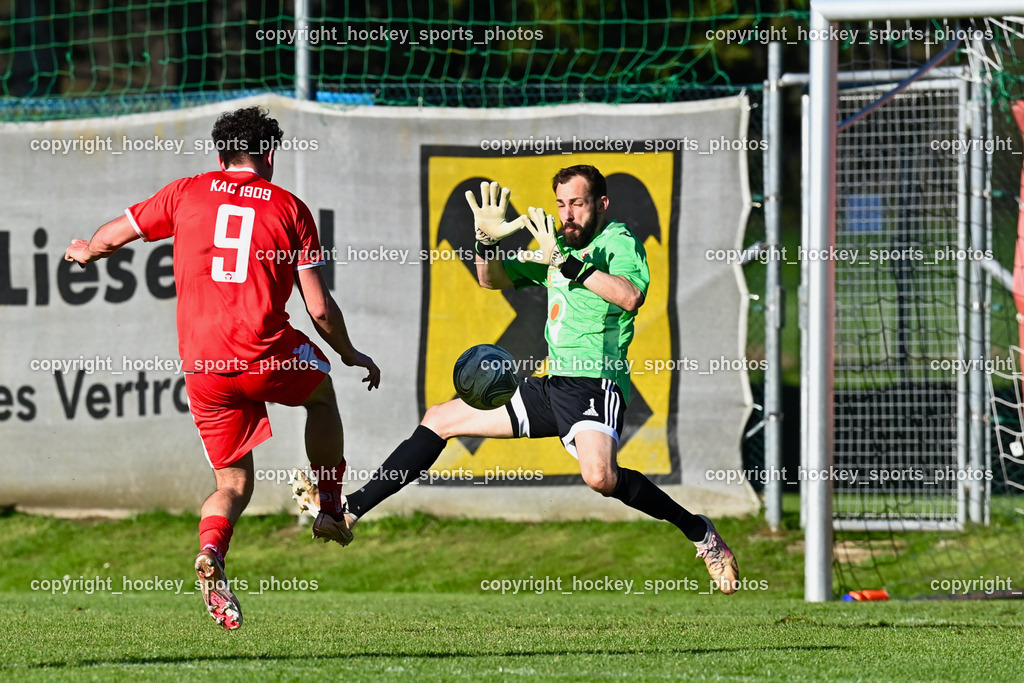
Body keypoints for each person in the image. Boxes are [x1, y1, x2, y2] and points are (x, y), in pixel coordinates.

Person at [292, 164, 740, 594]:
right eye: (561, 203)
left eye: (578, 203)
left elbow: (629, 296)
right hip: (553, 384)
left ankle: (701, 533)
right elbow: (492, 279)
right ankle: (349, 510)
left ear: (601, 203)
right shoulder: (554, 248)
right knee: (440, 418)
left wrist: (569, 264)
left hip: (594, 383)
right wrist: (485, 244)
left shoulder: (617, 240)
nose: (567, 213)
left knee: (601, 478)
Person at [64, 106, 380, 629]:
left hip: (204, 365)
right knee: (321, 393)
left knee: (231, 481)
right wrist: (349, 353)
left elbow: (114, 235)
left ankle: (212, 551)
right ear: (271, 155)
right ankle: (328, 505)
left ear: (220, 154)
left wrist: (85, 251)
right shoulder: (291, 209)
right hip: (264, 352)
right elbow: (319, 307)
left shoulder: (186, 191)